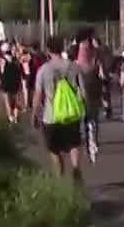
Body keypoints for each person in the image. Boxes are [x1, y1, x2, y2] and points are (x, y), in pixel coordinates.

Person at [31, 35, 85, 182]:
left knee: (54, 149)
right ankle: (75, 168)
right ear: (62, 48)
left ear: (48, 50)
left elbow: (38, 94)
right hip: (71, 114)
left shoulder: (44, 70)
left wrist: (34, 113)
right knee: (74, 143)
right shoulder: (74, 67)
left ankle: (59, 177)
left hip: (51, 116)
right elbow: (83, 92)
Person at [74, 31, 106, 164]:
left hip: (83, 94)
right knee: (94, 118)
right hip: (94, 92)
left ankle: (89, 142)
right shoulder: (95, 60)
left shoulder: (76, 64)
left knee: (85, 119)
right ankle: (94, 141)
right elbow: (103, 76)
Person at [0, 42, 24, 124]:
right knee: (15, 101)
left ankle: (10, 118)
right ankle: (15, 117)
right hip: (15, 82)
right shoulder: (15, 60)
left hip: (5, 82)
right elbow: (19, 71)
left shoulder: (0, 60)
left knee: (7, 101)